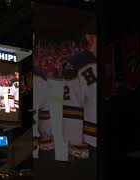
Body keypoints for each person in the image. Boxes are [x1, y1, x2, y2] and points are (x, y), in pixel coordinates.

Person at [62, 32, 97, 160]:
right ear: (89, 37)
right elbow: (72, 108)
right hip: (93, 142)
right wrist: (75, 145)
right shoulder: (77, 64)